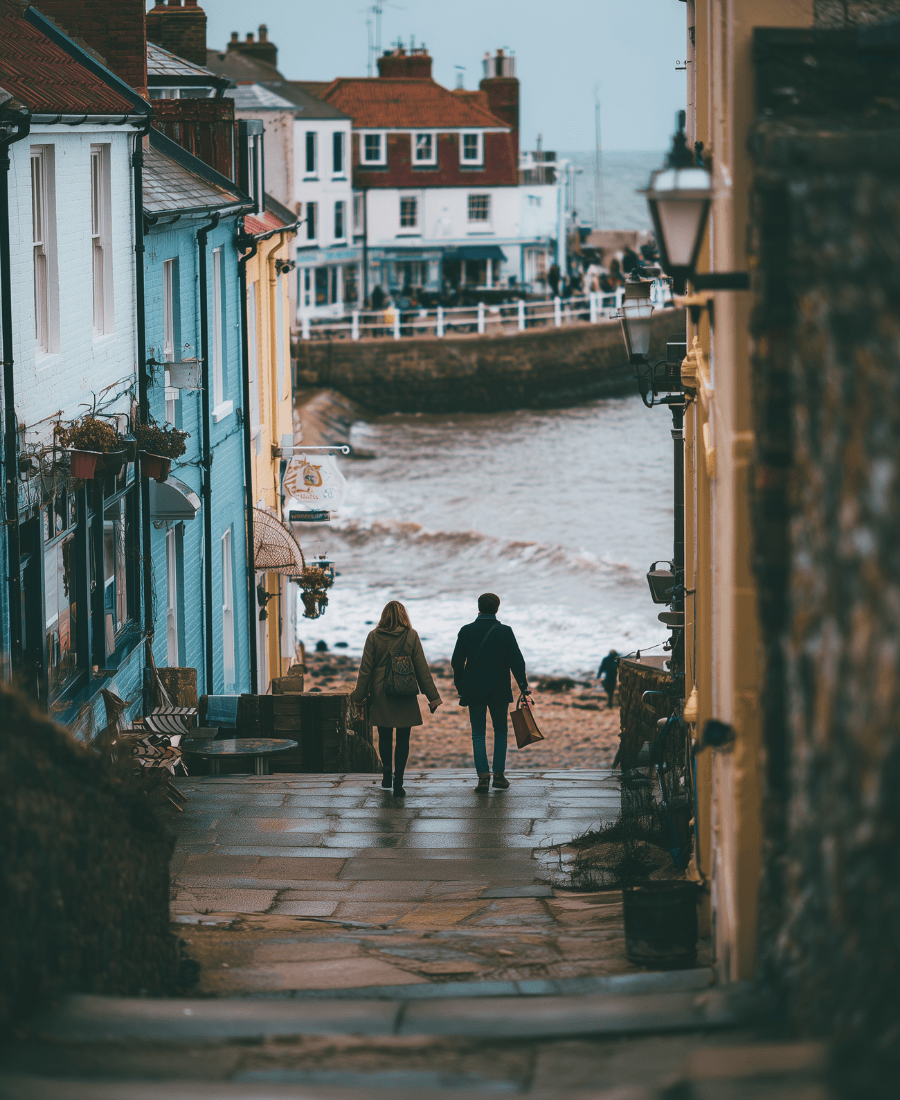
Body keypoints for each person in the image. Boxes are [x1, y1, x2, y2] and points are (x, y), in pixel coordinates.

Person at [351, 600, 441, 796]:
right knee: (403, 737)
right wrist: (432, 697)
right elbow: (421, 668)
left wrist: (359, 697)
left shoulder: (374, 636)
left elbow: (365, 670)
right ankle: (398, 781)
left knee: (384, 735)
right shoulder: (411, 635)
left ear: (383, 616)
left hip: (381, 691)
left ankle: (386, 773)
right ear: (404, 615)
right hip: (405, 689)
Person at [451, 593, 529, 791]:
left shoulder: (466, 631)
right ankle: (499, 776)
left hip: (474, 689)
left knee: (478, 733)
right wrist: (523, 685)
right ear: (497, 608)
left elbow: (457, 662)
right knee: (500, 731)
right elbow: (516, 660)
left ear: (479, 607)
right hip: (499, 689)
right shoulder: (505, 631)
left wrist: (460, 685)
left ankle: (483, 778)